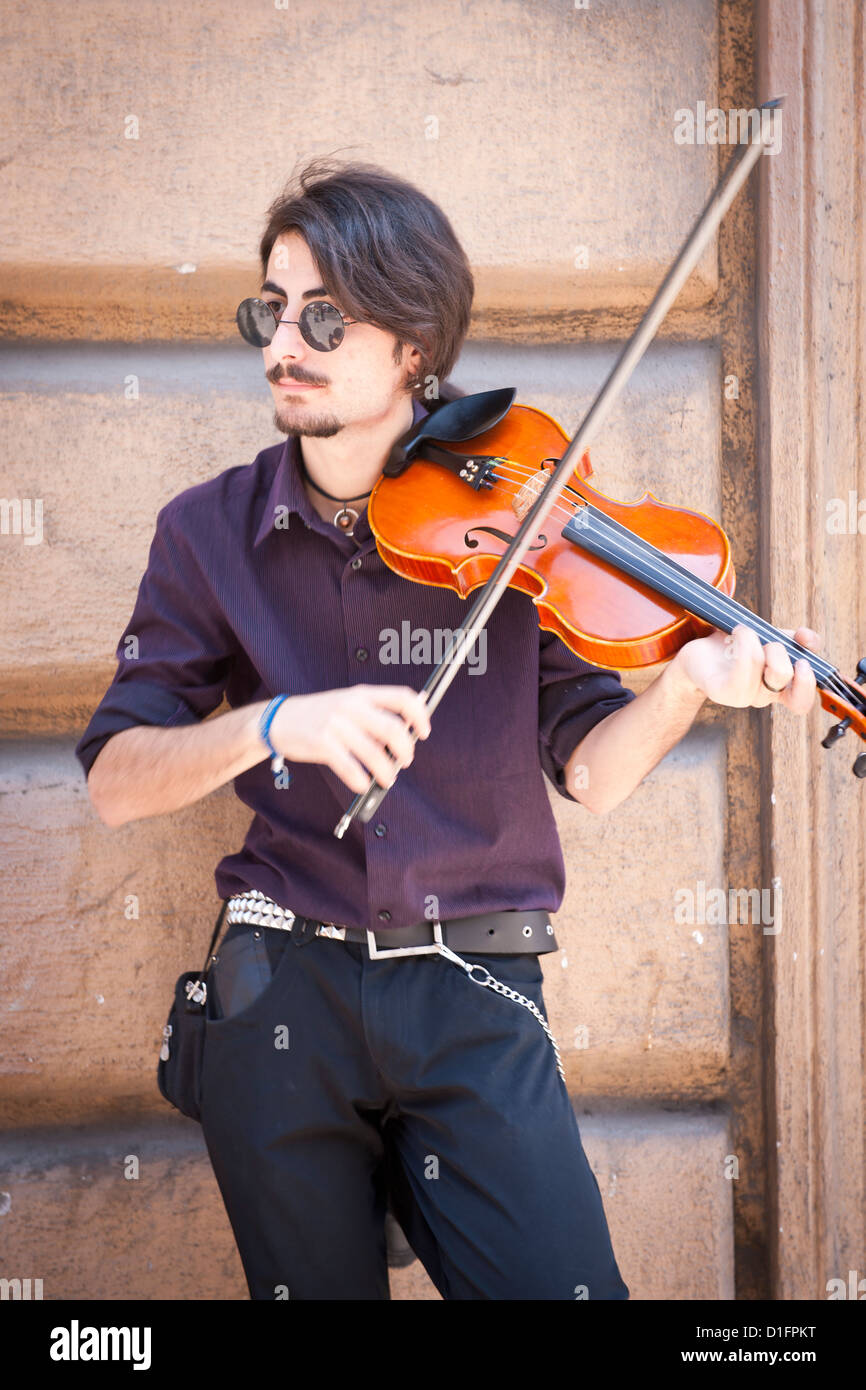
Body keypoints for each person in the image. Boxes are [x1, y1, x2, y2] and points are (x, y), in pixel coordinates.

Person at [75, 158, 822, 1302]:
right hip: (280, 990)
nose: (285, 339)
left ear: (413, 346)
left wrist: (683, 687)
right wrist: (272, 723)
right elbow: (117, 780)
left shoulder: (524, 518)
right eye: (269, 309)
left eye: (323, 313)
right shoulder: (206, 532)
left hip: (472, 988)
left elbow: (589, 768)